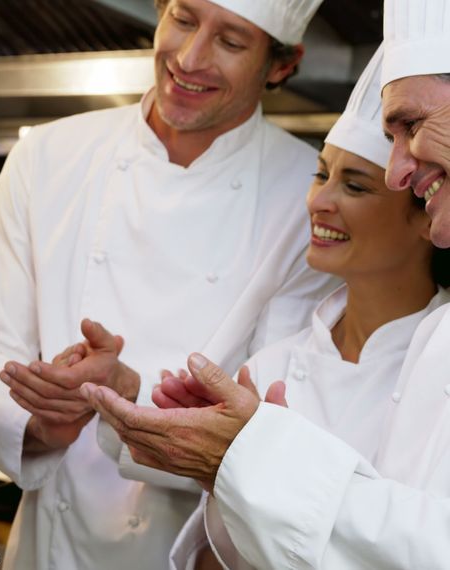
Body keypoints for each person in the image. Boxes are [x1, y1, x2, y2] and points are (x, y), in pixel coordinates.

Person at [85, 0, 450, 567]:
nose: (318, 201)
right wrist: (228, 460)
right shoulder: (275, 366)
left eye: (355, 185)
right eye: (320, 174)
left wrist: (247, 459)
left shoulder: (433, 350)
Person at [0, 0, 335, 567]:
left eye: (232, 42)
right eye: (183, 20)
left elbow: (276, 419)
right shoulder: (46, 157)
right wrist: (42, 419)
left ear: (281, 65)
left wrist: (127, 395)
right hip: (50, 545)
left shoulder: (314, 199)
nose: (190, 59)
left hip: (202, 549)